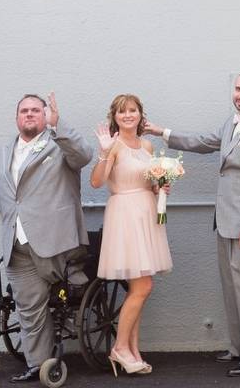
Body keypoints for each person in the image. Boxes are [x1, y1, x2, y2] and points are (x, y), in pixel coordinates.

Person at [143, 71, 240, 377]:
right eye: (237, 89)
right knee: (233, 289)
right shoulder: (231, 122)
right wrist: (159, 131)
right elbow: (202, 142)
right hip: (225, 222)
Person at [0, 92, 92, 383]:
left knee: (67, 293)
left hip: (56, 241)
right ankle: (39, 364)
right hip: (17, 243)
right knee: (28, 307)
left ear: (45, 115)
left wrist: (59, 126)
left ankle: (77, 295)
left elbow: (84, 155)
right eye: (24, 110)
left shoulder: (59, 144)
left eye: (36, 110)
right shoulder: (1, 151)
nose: (30, 114)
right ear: (16, 117)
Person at [91, 94, 172, 376]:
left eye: (133, 111)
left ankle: (133, 350)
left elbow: (147, 182)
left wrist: (159, 187)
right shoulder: (113, 145)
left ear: (140, 115)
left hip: (146, 214)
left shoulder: (147, 145)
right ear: (114, 116)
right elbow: (97, 181)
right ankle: (120, 348)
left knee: (137, 289)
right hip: (125, 215)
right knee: (143, 287)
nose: (128, 115)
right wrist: (103, 152)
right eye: (122, 112)